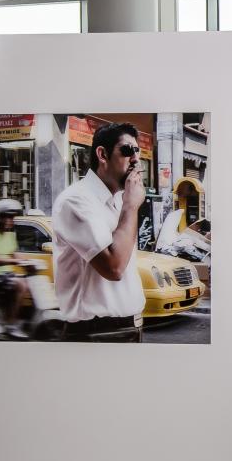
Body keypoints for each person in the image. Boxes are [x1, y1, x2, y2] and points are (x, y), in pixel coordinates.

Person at [51, 122, 146, 341]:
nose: (136, 159)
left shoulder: (120, 201)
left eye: (137, 151)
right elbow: (114, 267)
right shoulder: (76, 200)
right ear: (102, 155)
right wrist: (131, 206)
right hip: (96, 333)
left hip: (129, 328)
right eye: (127, 150)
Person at [0, 198, 31, 337]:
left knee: (25, 284)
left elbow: (15, 254)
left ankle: (10, 322)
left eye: (12, 217)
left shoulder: (10, 235)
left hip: (6, 275)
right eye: (7, 217)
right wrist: (14, 262)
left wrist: (29, 261)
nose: (10, 220)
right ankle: (8, 322)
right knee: (20, 284)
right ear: (0, 217)